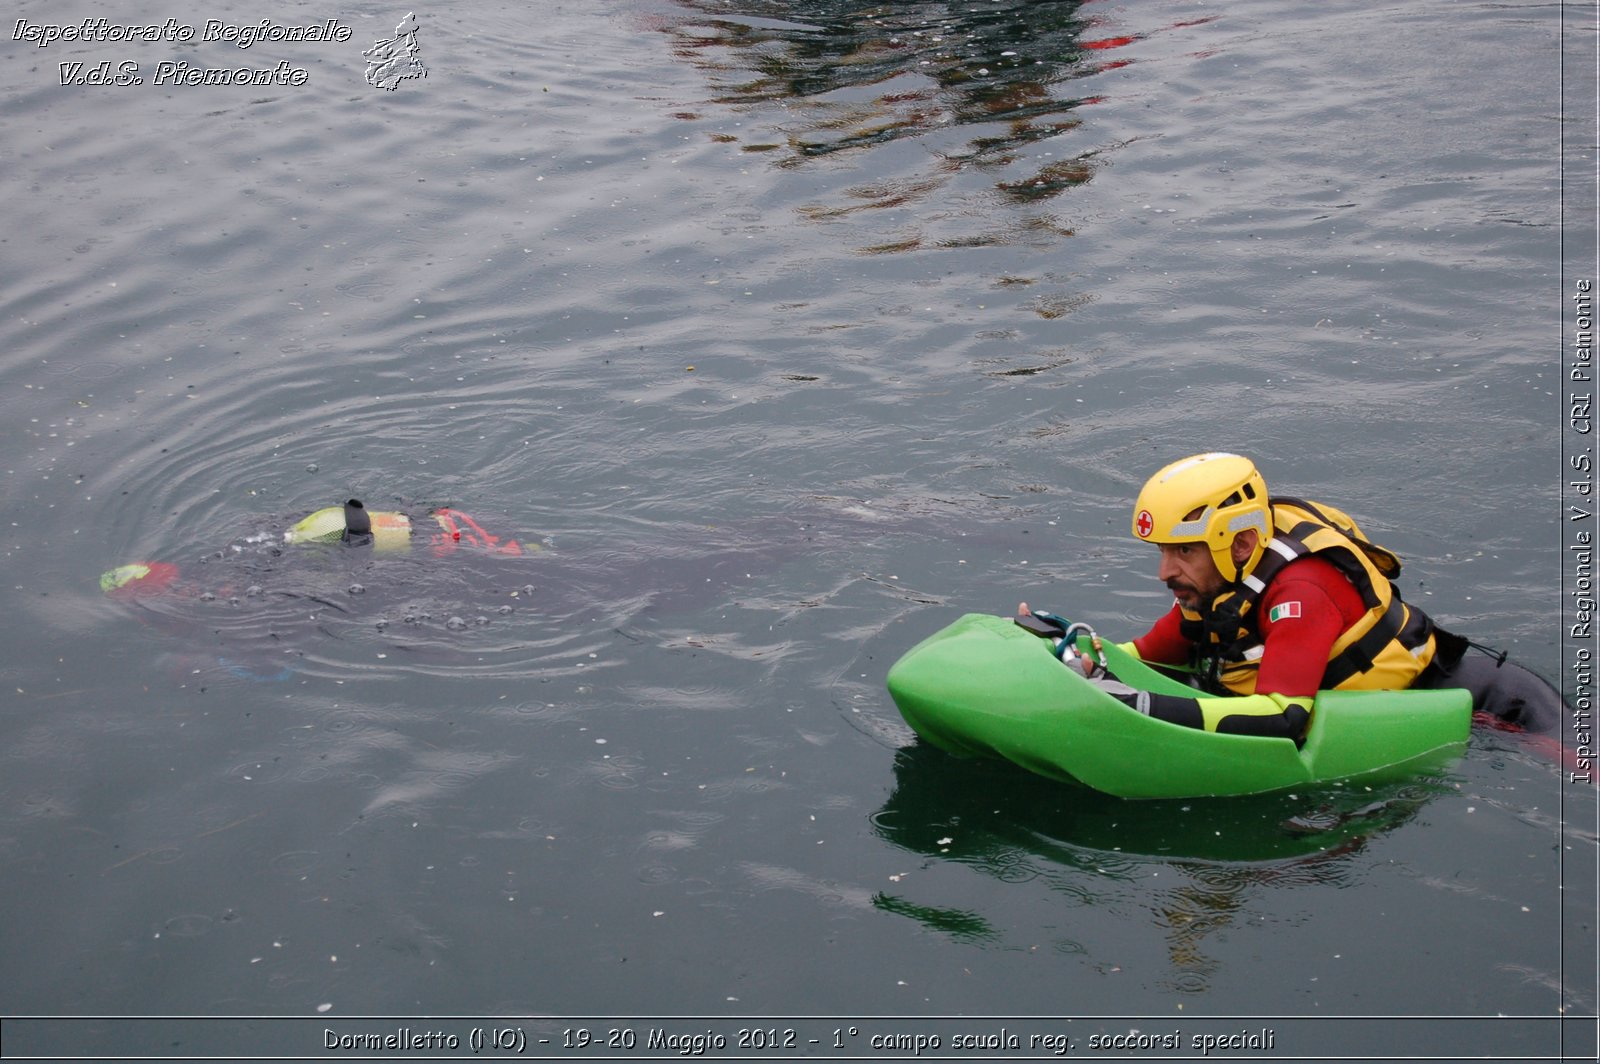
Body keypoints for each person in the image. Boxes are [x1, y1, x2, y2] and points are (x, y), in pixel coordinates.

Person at [1021, 452, 1564, 742]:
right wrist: (1077, 650)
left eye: (1183, 552)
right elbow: (1146, 654)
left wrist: (1133, 704)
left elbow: (1283, 720)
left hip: (1499, 712)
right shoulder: (1218, 580)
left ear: (1241, 543)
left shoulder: (1300, 591)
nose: (1165, 572)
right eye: (1163, 551)